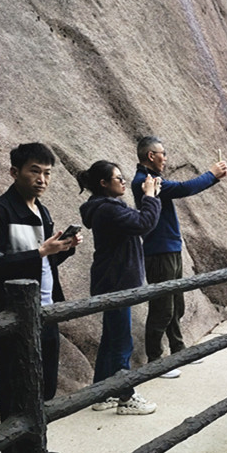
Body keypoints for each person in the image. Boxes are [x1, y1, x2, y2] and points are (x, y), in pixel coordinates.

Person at [0, 142, 82, 453]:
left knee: (42, 388)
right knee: (14, 392)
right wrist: (40, 251)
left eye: (47, 173)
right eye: (34, 171)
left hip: (45, 312)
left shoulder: (42, 211)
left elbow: (43, 264)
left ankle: (32, 449)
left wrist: (62, 249)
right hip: (11, 318)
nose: (42, 179)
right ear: (15, 172)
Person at [131, 136, 227, 378]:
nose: (165, 158)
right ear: (151, 155)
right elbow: (184, 188)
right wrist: (212, 174)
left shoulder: (152, 178)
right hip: (159, 251)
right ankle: (155, 361)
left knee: (176, 305)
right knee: (162, 307)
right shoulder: (145, 181)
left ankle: (178, 350)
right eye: (162, 153)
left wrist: (213, 177)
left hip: (170, 248)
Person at [78, 160, 162, 415]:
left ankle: (102, 393)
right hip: (116, 282)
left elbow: (138, 223)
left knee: (111, 338)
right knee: (122, 341)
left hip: (110, 280)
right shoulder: (108, 209)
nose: (124, 181)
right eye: (118, 178)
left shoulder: (106, 207)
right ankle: (126, 396)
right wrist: (150, 196)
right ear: (104, 183)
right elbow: (144, 223)